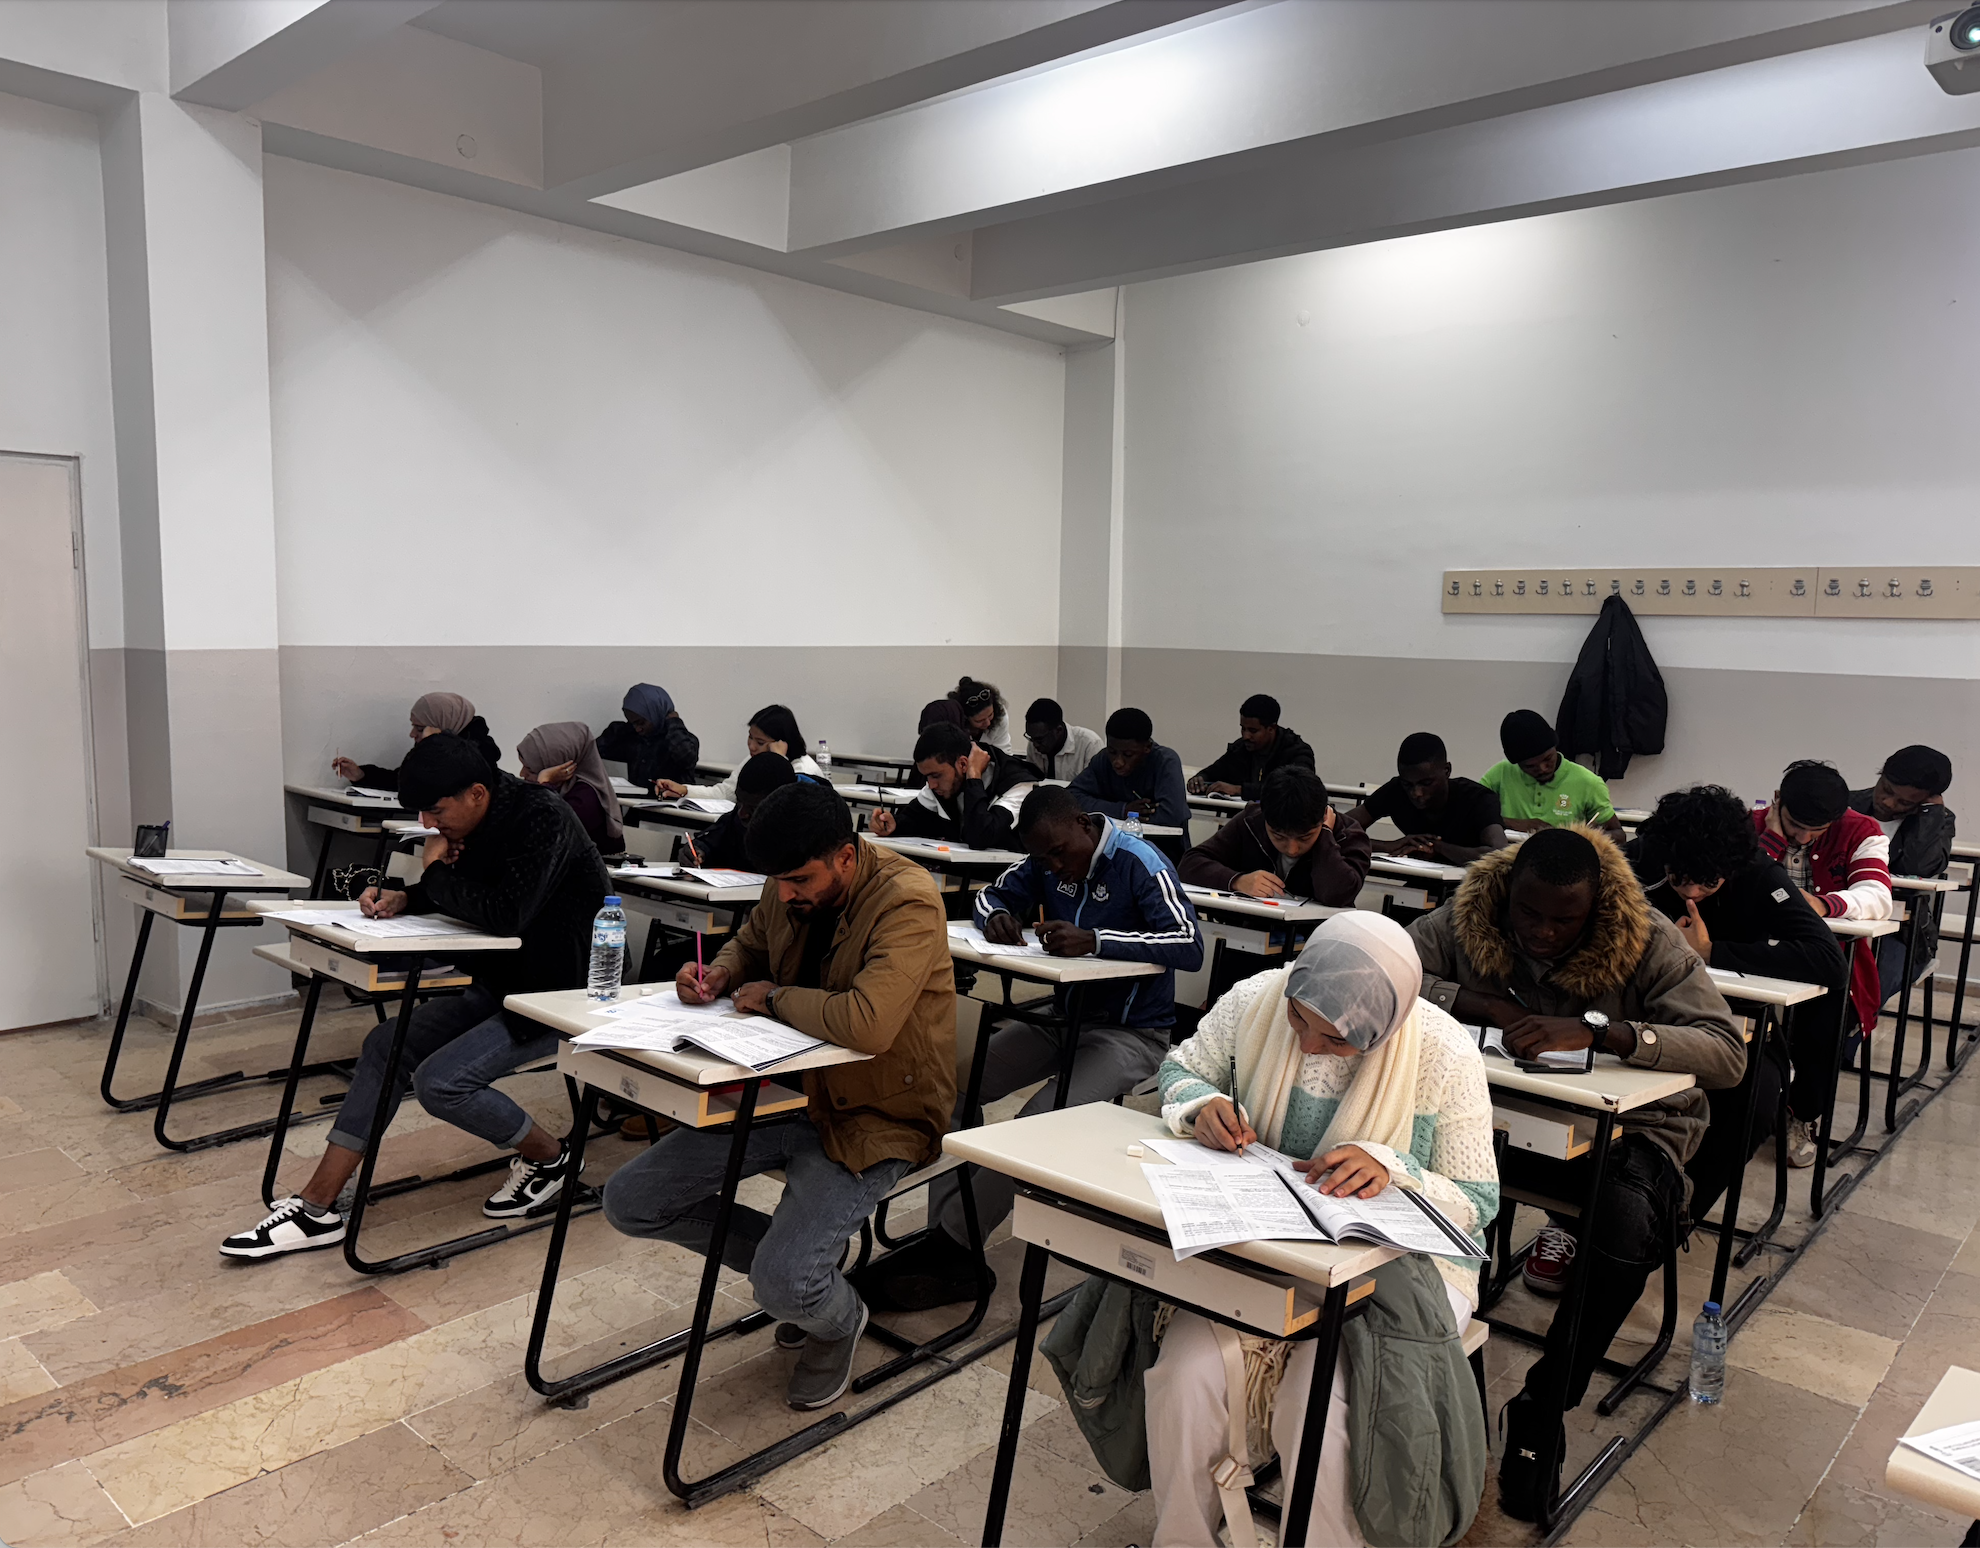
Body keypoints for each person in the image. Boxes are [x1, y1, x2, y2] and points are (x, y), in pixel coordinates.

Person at [1406, 826, 1742, 1520]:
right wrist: (1487, 1005)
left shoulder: (1645, 936)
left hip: (1627, 1129)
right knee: (1405, 1178)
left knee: (1627, 1221)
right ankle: (1431, 1369)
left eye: (1565, 920)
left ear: (1596, 908)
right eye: (1528, 913)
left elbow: (1725, 1051)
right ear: (1506, 893)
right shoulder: (1467, 914)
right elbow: (1389, 975)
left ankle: (1546, 1399)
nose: (1542, 932)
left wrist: (1604, 1030)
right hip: (1488, 1120)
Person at [601, 782, 955, 1411]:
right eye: (778, 882)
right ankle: (803, 1276)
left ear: (846, 856)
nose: (786, 893)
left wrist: (772, 997)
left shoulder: (907, 899)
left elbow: (869, 1022)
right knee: (632, 1200)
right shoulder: (787, 880)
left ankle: (836, 1315)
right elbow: (753, 942)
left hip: (874, 1113)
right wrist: (722, 971)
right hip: (783, 1093)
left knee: (784, 1283)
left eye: (799, 881)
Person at [1145, 915, 1498, 1548]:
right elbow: (1181, 1068)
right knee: (1187, 1374)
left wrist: (1392, 1169)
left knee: (1324, 1406)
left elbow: (1477, 1200)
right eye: (1298, 1019)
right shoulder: (1258, 997)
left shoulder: (1444, 1052)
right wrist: (1201, 1105)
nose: (1307, 1046)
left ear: (1385, 1027)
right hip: (1267, 1246)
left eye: (1336, 1040)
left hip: (1404, 1268)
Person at [220, 735, 611, 1259]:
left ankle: (551, 1158)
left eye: (436, 811)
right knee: (386, 1044)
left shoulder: (544, 817)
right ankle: (317, 1208)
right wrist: (406, 897)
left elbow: (504, 912)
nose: (427, 823)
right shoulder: (475, 817)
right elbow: (464, 892)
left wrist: (434, 872)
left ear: (477, 793)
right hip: (504, 983)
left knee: (441, 1083)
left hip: (563, 993)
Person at [861, 786, 1203, 1312]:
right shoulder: (1045, 855)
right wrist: (995, 915)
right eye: (1044, 859)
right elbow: (988, 894)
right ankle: (943, 1231)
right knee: (951, 1084)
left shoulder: (1140, 862)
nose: (1054, 867)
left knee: (1033, 1124)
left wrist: (1096, 940)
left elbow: (1188, 944)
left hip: (1130, 1033)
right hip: (1060, 1019)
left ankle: (954, 1246)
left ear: (1084, 825)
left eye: (1059, 853)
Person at [1628, 785, 1847, 1189]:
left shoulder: (1758, 872)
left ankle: (1679, 1211)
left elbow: (1829, 962)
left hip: (1734, 1024)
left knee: (1756, 1101)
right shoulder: (1640, 857)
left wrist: (1712, 952)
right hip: (1639, 1012)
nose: (1692, 893)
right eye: (1679, 880)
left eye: (1708, 884)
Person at [1754, 760, 1893, 1063]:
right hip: (1754, 952)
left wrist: (1822, 905)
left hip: (1824, 957)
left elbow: (1878, 896)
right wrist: (1772, 840)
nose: (1804, 838)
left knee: (1821, 1031)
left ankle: (1802, 1091)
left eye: (1817, 830)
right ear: (1778, 800)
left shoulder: (1860, 830)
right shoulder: (1750, 824)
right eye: (1795, 825)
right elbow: (1735, 887)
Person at [1850, 745, 1956, 1016]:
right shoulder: (1847, 804)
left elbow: (1919, 868)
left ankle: (1843, 1040)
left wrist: (1930, 816)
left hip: (1900, 931)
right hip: (1841, 914)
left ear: (1927, 800)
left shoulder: (1939, 822)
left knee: (1865, 991)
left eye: (1905, 803)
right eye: (1886, 789)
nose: (1888, 803)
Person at [1179, 766, 1372, 905]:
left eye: (1305, 837)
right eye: (1279, 836)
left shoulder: (1348, 834)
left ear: (1323, 817)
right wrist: (1237, 881)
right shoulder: (1252, 820)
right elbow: (1190, 863)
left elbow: (1337, 896)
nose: (1292, 849)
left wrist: (1325, 837)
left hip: (1317, 935)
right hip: (1253, 928)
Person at [1346, 732, 1510, 863]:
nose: (1416, 793)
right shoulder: (1396, 790)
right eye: (1408, 784)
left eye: (1426, 783)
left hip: (1472, 884)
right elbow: (1338, 830)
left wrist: (1439, 847)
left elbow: (1498, 853)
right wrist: (1388, 846)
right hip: (1425, 878)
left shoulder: (1478, 798)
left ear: (1447, 771)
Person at [868, 722, 1034, 849]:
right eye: (927, 776)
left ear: (963, 764)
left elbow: (981, 836)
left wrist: (973, 777)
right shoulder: (940, 785)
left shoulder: (1018, 784)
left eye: (936, 775)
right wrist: (894, 825)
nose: (931, 785)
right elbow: (913, 819)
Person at [1068, 708, 1192, 857]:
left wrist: (1127, 819)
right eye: (1112, 752)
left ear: (1147, 747)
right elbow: (1071, 797)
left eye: (1128, 755)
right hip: (1113, 852)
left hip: (1163, 853)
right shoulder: (1103, 759)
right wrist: (1122, 810)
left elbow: (1171, 817)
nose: (1118, 762)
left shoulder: (1165, 761)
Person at [1479, 710, 1623, 836]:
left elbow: (1618, 834)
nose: (1543, 768)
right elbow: (1472, 813)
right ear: (1517, 764)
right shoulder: (1500, 774)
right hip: (1508, 855)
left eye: (1548, 758)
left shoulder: (1589, 783)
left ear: (1555, 747)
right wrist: (1517, 824)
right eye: (1530, 766)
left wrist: (1581, 838)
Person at [332, 692, 501, 790]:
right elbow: (403, 781)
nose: (412, 734)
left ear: (443, 726)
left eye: (420, 728)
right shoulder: (434, 750)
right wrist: (361, 775)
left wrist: (434, 745)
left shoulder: (478, 758)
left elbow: (438, 785)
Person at [658, 704, 823, 801]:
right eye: (750, 737)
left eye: (760, 742)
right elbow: (726, 793)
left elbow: (780, 806)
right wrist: (684, 790)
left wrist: (777, 759)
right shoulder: (755, 760)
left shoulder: (804, 770)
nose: (751, 746)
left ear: (782, 743)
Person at [1185, 693, 1315, 800]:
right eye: (1243, 728)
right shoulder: (1240, 749)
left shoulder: (1297, 752)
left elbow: (1295, 789)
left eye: (1253, 731)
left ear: (1271, 728)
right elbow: (1212, 772)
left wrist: (1240, 790)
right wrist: (1199, 780)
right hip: (1241, 819)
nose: (1246, 736)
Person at [680, 751, 796, 871]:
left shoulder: (802, 834)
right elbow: (713, 841)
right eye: (739, 802)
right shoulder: (736, 819)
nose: (742, 813)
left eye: (753, 809)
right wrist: (698, 851)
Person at [517, 721, 623, 850]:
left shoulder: (585, 799)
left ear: (558, 766)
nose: (522, 774)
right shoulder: (563, 789)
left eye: (530, 769)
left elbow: (541, 832)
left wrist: (544, 782)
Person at [596, 683, 699, 794]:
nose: (637, 729)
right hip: (639, 802)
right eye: (632, 723)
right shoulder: (635, 738)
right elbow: (596, 749)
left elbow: (686, 758)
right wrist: (622, 728)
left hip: (672, 803)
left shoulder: (683, 739)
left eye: (641, 722)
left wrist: (674, 723)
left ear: (656, 713)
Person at [1022, 697, 1103, 781]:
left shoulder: (1090, 744)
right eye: (1031, 738)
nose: (1035, 744)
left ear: (1058, 730)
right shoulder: (1034, 743)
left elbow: (1095, 785)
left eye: (1040, 739)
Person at [948, 676, 1013, 752]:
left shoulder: (1000, 715)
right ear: (965, 718)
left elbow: (1004, 751)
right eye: (980, 721)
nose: (988, 723)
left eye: (990, 715)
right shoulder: (952, 725)